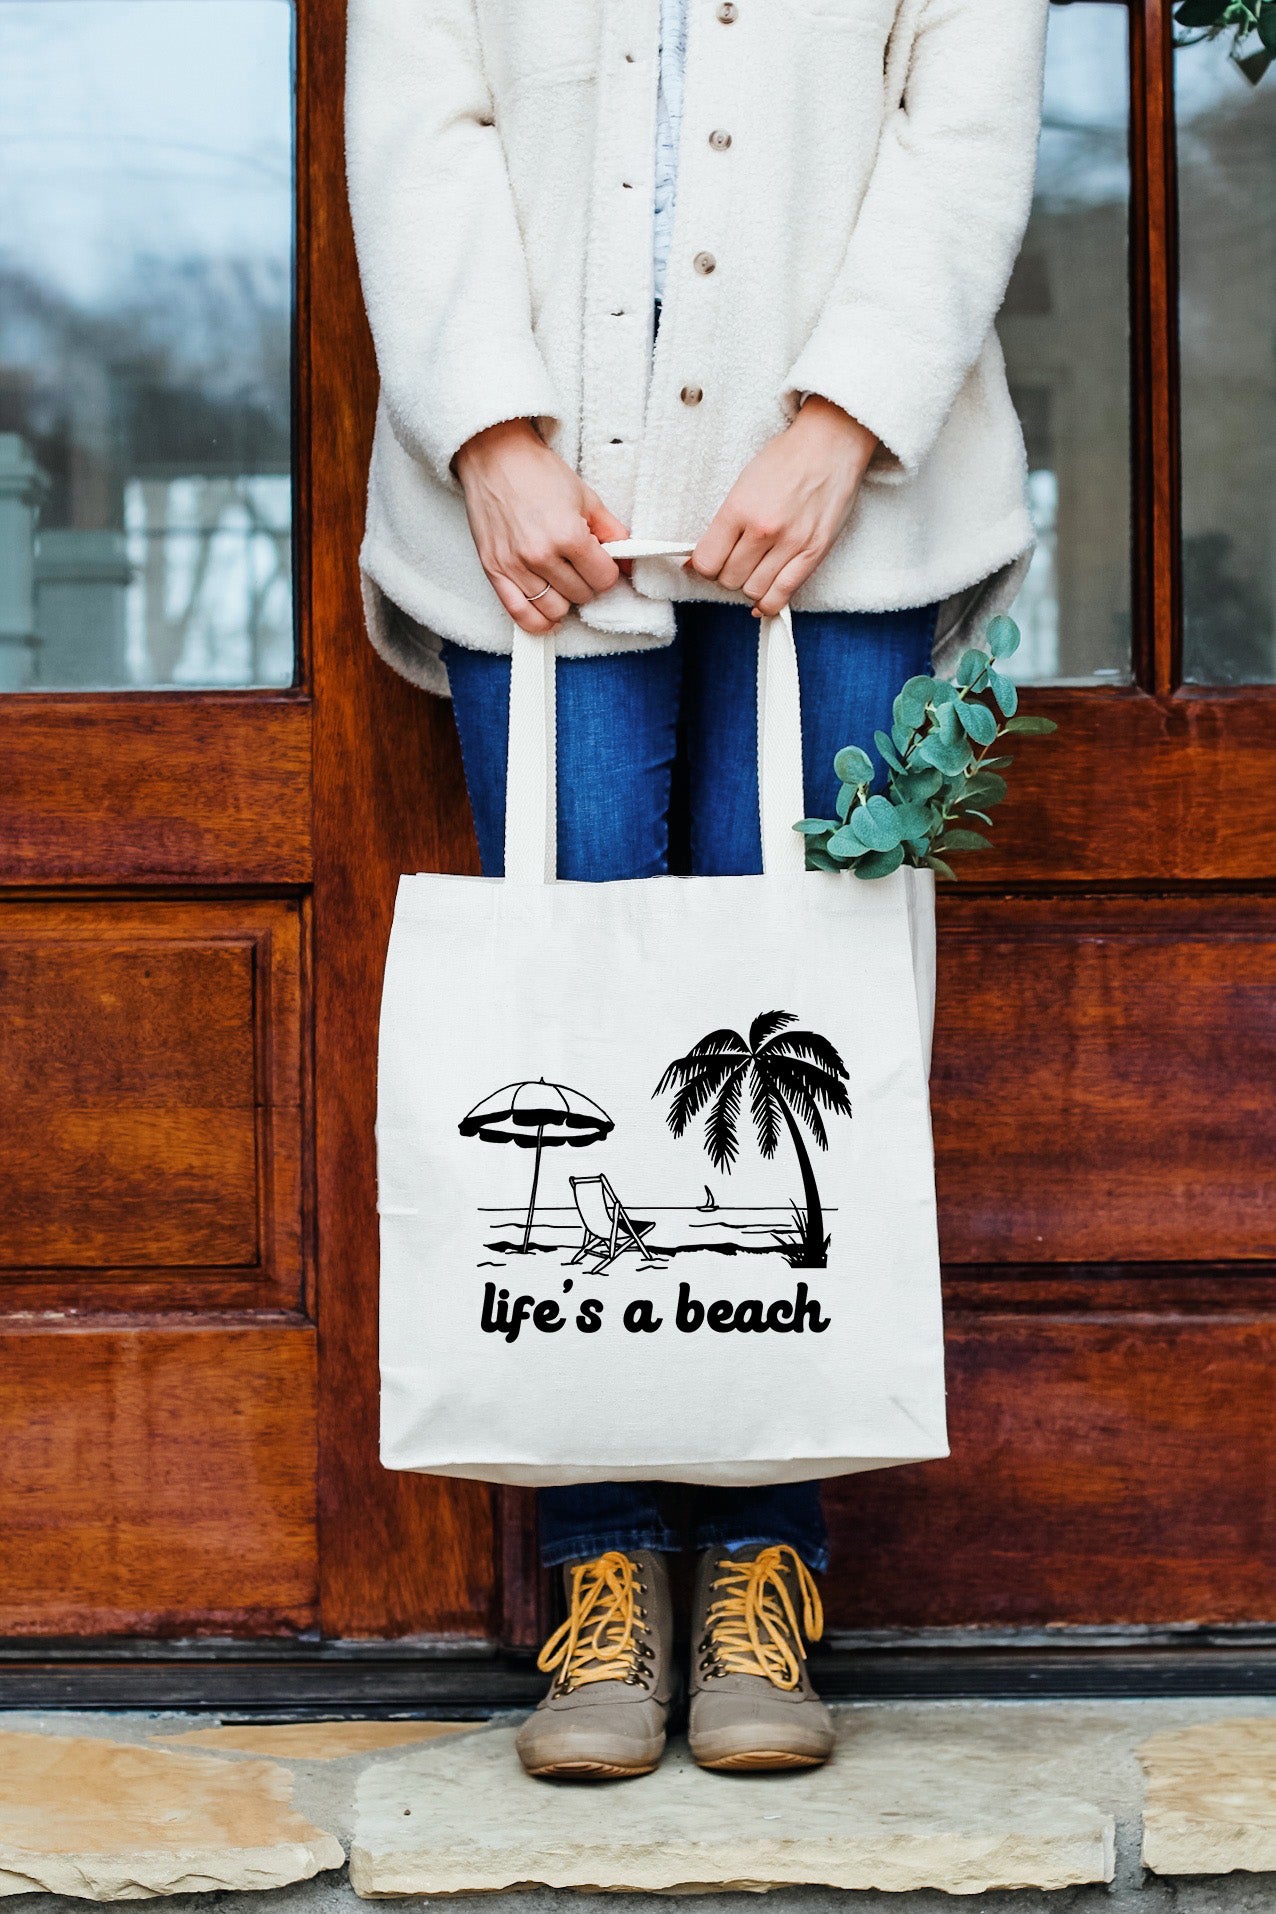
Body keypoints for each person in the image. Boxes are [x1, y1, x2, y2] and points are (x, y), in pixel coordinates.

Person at [346, 0, 1047, 1779]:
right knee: (571, 1049)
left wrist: (840, 425)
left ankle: (765, 1571)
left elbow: (959, 127)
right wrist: (489, 438)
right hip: (535, 516)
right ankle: (599, 1574)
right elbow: (426, 123)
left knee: (797, 1025)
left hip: (856, 509)